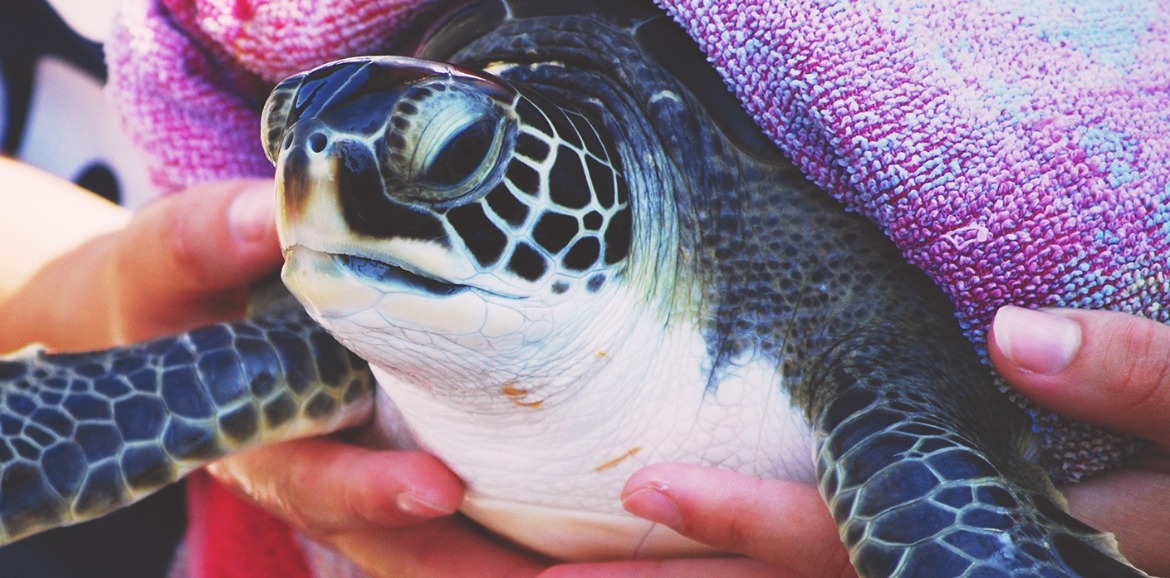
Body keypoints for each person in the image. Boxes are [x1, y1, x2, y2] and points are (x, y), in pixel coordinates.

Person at [2, 160, 1168, 577]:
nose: (327, 189)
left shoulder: (821, 309)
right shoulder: (349, 315)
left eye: (457, 161)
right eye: (294, 150)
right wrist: (99, 290)